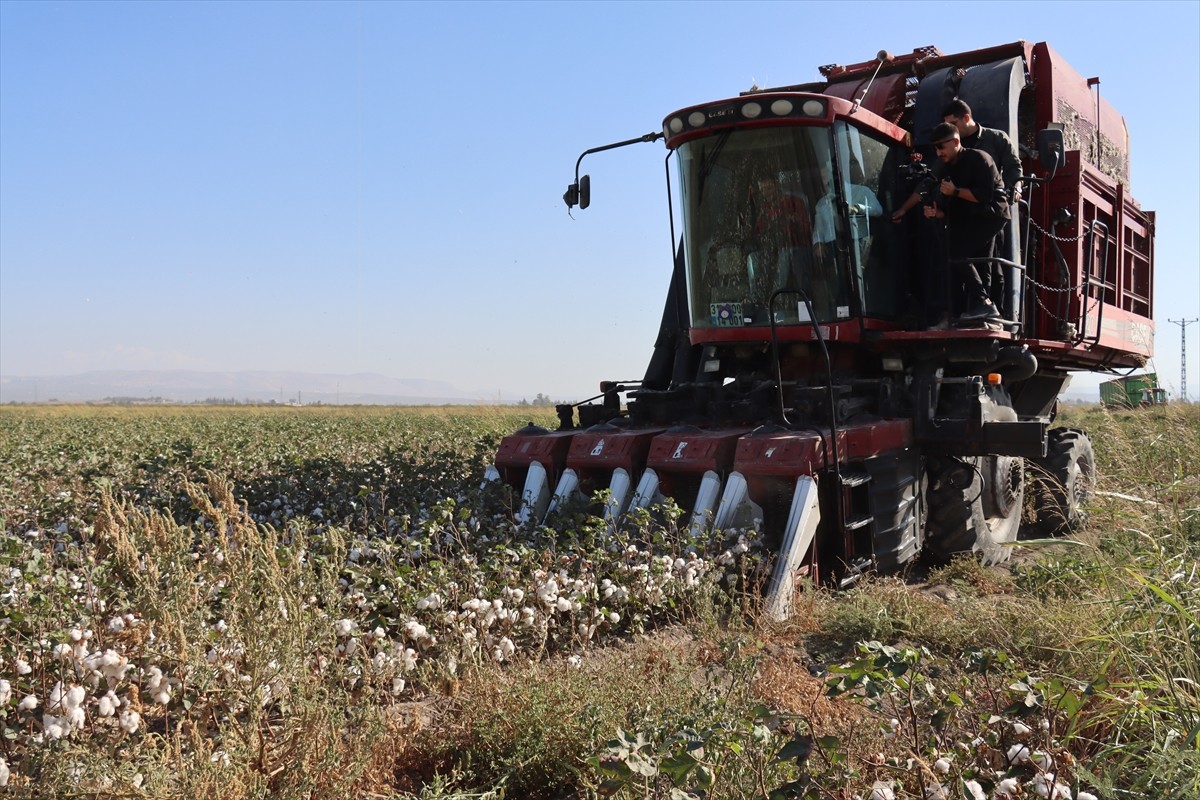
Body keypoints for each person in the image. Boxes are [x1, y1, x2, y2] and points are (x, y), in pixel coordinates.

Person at [897, 122, 1009, 323]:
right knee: (969, 261)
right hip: (970, 217)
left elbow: (984, 196)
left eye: (941, 146)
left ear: (956, 141)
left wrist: (955, 191)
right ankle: (967, 313)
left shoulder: (979, 159)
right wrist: (936, 212)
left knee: (957, 251)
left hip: (990, 216)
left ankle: (985, 304)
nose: (938, 152)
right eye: (935, 148)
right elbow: (941, 198)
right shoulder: (947, 167)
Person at [812, 166, 882, 262]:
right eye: (821, 179)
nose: (824, 182)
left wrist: (858, 208)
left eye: (825, 177)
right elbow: (818, 230)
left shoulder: (862, 191)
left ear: (837, 176)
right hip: (833, 253)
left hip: (859, 245)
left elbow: (878, 210)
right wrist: (817, 243)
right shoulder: (821, 204)